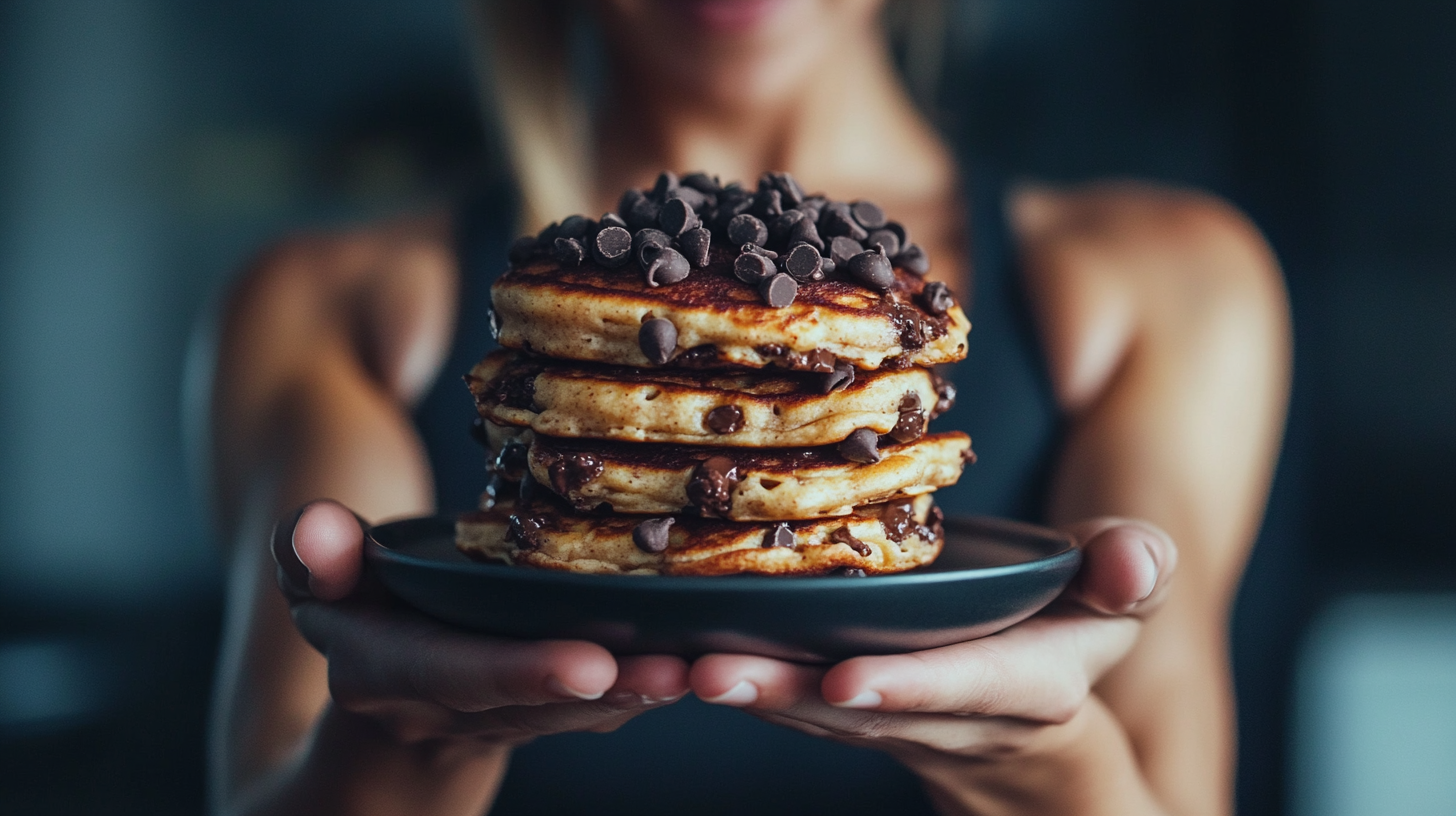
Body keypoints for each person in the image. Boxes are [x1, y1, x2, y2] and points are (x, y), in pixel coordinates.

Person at [204, 1, 1290, 814]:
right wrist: (403, 747)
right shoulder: (322, 305)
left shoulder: (1166, 280)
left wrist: (1044, 764)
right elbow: (268, 775)